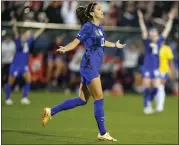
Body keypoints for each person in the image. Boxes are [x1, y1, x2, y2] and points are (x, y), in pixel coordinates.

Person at [42, 2, 125, 142]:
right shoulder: (88, 27)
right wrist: (65, 48)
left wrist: (115, 45)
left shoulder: (100, 28)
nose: (102, 10)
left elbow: (103, 42)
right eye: (99, 9)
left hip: (91, 66)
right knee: (99, 98)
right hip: (89, 66)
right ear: (92, 13)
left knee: (82, 100)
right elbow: (75, 42)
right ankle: (103, 132)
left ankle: (51, 111)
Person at [137, 9, 175, 114]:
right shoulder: (147, 41)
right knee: (146, 86)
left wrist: (170, 19)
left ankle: (149, 101)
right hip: (147, 67)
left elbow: (167, 30)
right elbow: (143, 29)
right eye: (151, 32)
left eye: (154, 33)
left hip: (155, 68)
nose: (152, 34)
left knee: (157, 88)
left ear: (157, 35)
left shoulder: (159, 42)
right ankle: (146, 106)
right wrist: (140, 18)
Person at [5, 20, 46, 105]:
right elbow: (15, 32)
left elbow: (36, 34)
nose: (29, 34)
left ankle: (24, 98)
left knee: (28, 80)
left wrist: (43, 26)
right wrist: (14, 25)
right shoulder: (18, 40)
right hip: (16, 65)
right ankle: (8, 98)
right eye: (28, 33)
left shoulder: (29, 41)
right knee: (10, 82)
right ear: (24, 34)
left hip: (24, 65)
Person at [153, 43, 175, 112]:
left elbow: (170, 61)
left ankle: (160, 107)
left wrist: (171, 71)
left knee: (160, 87)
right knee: (155, 88)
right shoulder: (154, 48)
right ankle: (157, 105)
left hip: (164, 70)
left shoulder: (167, 49)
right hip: (154, 70)